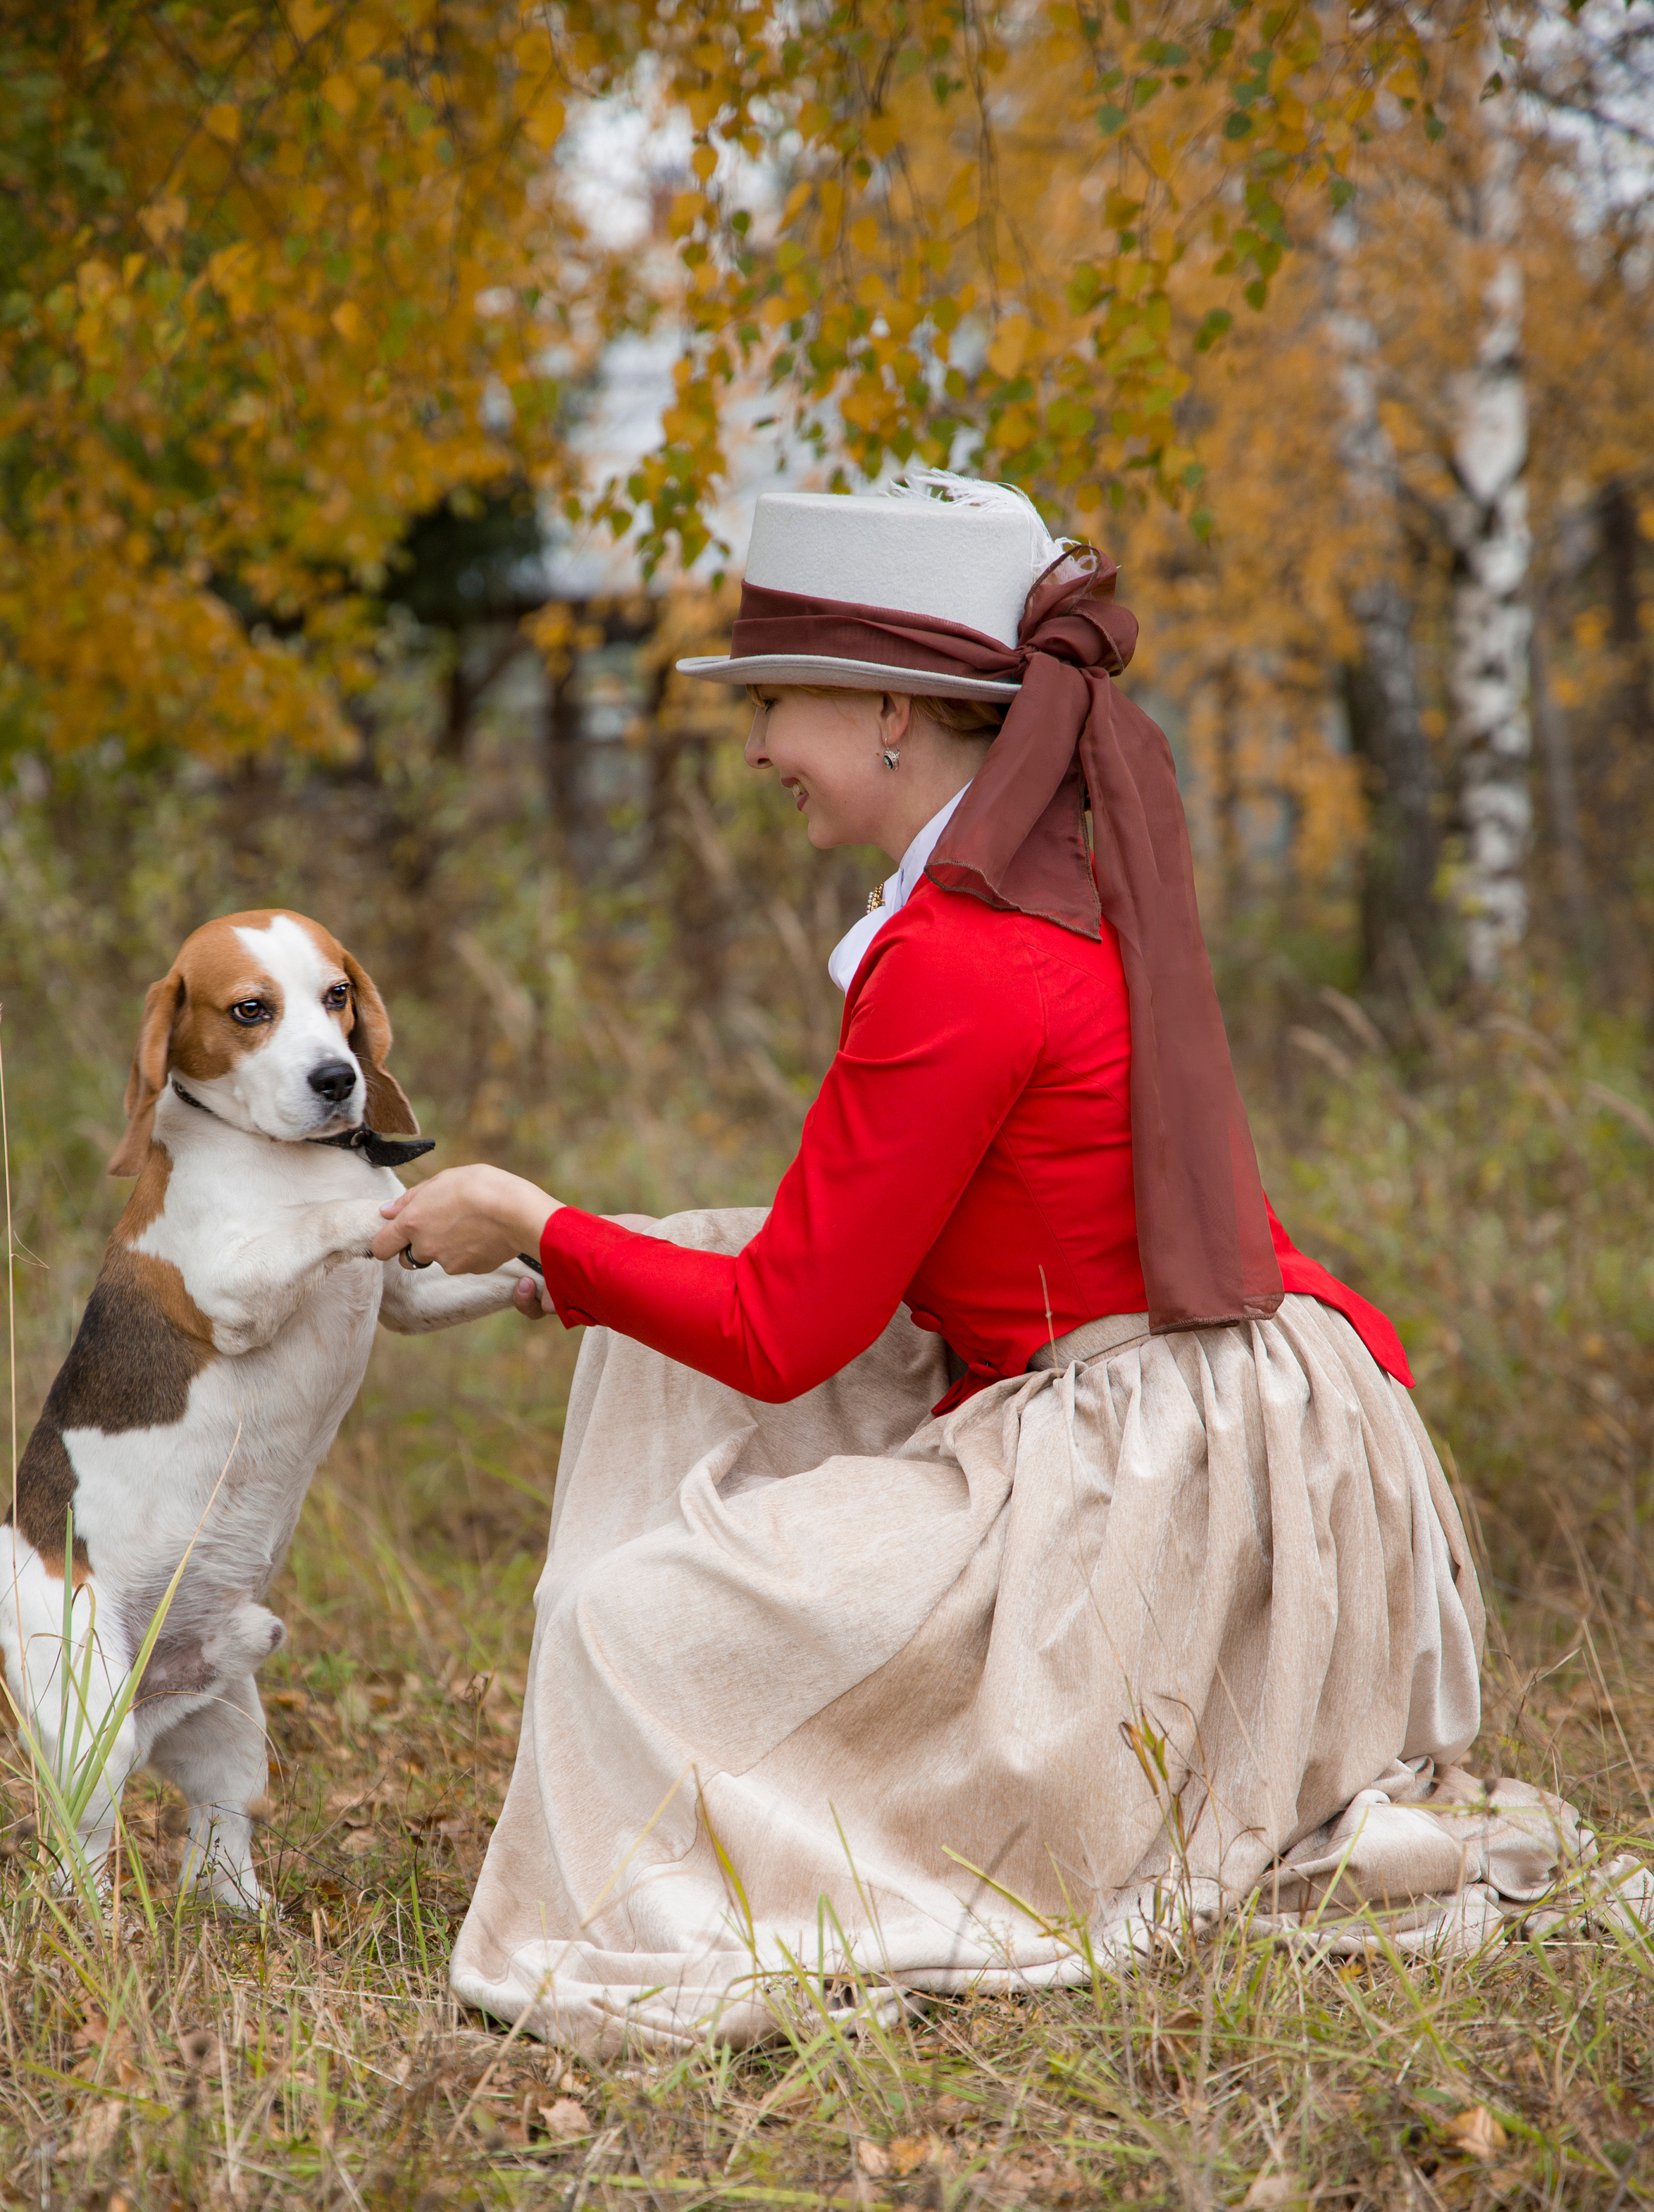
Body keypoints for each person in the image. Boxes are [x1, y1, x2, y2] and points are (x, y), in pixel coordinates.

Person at [373, 473, 1573, 2054]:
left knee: (626, 1621)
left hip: (1158, 1475)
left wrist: (534, 1222)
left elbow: (784, 1328)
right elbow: (884, 1242)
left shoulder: (956, 955)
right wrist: (567, 1267)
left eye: (774, 705)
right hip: (1263, 1417)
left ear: (886, 711)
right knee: (698, 1465)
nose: (752, 751)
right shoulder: (1048, 890)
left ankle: (829, 1871)